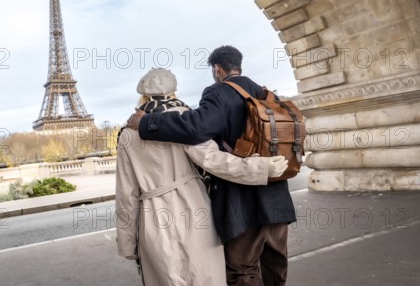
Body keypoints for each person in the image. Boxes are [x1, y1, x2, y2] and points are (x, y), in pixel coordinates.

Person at [127, 46, 297, 286]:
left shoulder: (218, 92)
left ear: (217, 69)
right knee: (275, 267)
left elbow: (197, 128)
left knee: (242, 269)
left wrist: (148, 123)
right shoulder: (267, 94)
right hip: (277, 197)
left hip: (242, 203)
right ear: (239, 65)